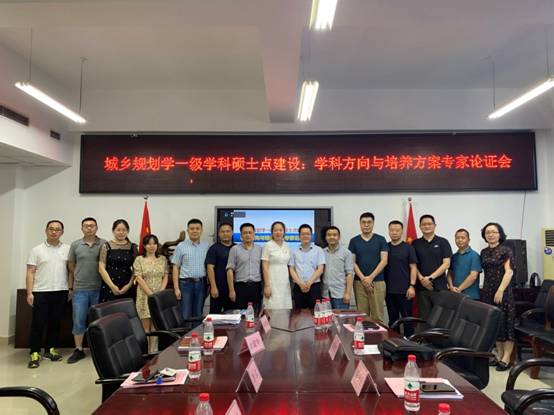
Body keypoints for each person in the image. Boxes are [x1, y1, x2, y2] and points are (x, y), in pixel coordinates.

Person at [26, 220, 70, 368]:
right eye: (51, 229)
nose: (54, 232)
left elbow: (70, 270)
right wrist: (29, 292)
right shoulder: (36, 250)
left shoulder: (67, 249)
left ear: (62, 232)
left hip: (60, 291)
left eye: (57, 229)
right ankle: (34, 352)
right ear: (46, 231)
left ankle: (50, 349)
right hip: (41, 292)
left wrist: (70, 289)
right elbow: (30, 272)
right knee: (38, 323)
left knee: (55, 322)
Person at [67, 217, 105, 364]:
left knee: (98, 322)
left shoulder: (104, 244)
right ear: (82, 228)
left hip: (99, 288)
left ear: (97, 228)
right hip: (80, 290)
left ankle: (99, 350)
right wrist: (73, 285)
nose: (89, 228)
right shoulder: (75, 245)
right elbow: (71, 266)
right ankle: (79, 349)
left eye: (92, 225)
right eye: (86, 226)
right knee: (78, 320)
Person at [480, 222, 515, 371]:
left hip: (503, 292)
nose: (491, 235)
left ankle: (507, 358)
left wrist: (500, 290)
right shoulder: (484, 252)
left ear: (500, 234)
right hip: (488, 291)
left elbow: (509, 272)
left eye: (494, 232)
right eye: (488, 232)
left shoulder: (506, 250)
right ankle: (500, 355)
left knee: (506, 324)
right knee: (496, 325)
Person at [348, 212, 389, 323]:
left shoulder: (381, 239)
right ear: (360, 224)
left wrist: (370, 278)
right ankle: (362, 335)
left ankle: (379, 335)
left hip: (377, 282)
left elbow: (384, 261)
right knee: (362, 316)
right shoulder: (354, 241)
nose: (366, 225)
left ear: (373, 223)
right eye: (363, 222)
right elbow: (352, 262)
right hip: (359, 282)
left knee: (377, 316)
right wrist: (363, 279)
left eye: (369, 222)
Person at [412, 214, 452, 320]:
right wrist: (422, 280)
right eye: (424, 224)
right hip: (422, 288)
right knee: (424, 318)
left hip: (439, 287)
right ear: (420, 226)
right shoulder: (415, 243)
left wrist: (430, 278)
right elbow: (413, 265)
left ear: (434, 225)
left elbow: (446, 264)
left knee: (441, 318)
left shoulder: (443, 242)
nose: (427, 226)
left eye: (429, 224)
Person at [133, 234, 168, 353]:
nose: (152, 246)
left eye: (154, 243)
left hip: (159, 296)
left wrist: (160, 292)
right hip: (144, 296)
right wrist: (151, 295)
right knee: (145, 327)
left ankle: (153, 352)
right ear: (144, 246)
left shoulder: (162, 259)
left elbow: (165, 275)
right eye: (149, 244)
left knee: (155, 326)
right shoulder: (139, 259)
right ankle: (146, 352)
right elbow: (138, 277)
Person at [172, 219, 209, 319]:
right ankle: (186, 330)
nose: (195, 231)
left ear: (201, 230)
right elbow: (175, 267)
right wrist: (176, 288)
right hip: (185, 285)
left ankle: (197, 330)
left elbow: (208, 267)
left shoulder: (206, 246)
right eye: (192, 229)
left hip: (201, 284)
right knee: (185, 314)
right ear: (188, 231)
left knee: (198, 313)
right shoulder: (181, 246)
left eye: (197, 228)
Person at [384, 220, 418, 329]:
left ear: (402, 231)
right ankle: (394, 339)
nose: (394, 232)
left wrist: (412, 286)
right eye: (392, 230)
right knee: (393, 320)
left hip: (405, 291)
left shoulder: (409, 248)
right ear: (389, 231)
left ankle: (408, 339)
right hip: (389, 291)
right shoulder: (385, 248)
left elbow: (413, 268)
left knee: (407, 319)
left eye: (397, 230)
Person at [99, 219, 138, 303]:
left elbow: (136, 269)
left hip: (127, 284)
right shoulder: (106, 246)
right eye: (118, 230)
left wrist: (129, 285)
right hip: (109, 284)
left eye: (124, 230)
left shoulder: (133, 247)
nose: (121, 232)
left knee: (127, 309)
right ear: (113, 231)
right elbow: (101, 268)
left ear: (127, 231)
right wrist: (112, 286)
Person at [227, 223, 263, 312]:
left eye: (250, 232)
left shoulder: (260, 249)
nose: (248, 235)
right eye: (245, 233)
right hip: (240, 287)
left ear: (254, 234)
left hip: (256, 287)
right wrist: (231, 290)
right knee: (240, 314)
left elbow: (263, 269)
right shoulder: (235, 249)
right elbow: (229, 270)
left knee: (255, 314)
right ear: (241, 235)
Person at [289, 224, 326, 309]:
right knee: (299, 312)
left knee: (315, 312)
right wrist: (300, 283)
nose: (305, 236)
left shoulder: (318, 250)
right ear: (299, 236)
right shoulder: (293, 251)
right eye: (303, 234)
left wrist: (309, 283)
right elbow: (291, 269)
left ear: (311, 235)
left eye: (308, 234)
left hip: (314, 286)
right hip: (298, 286)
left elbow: (320, 269)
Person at [262, 221, 292, 309]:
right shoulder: (267, 245)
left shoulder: (287, 245)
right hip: (272, 281)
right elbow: (264, 267)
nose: (278, 232)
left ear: (284, 232)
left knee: (285, 307)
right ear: (272, 232)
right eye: (275, 230)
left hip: (285, 282)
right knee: (272, 307)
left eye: (280, 230)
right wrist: (267, 286)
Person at [322, 226, 353, 310]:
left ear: (339, 237)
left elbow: (349, 274)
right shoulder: (322, 252)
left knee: (341, 318)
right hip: (325, 294)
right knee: (327, 318)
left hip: (340, 294)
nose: (331, 237)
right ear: (325, 237)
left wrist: (348, 293)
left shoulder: (346, 253)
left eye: (334, 235)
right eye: (329, 235)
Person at [206, 223, 235, 313]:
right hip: (218, 289)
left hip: (233, 290)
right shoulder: (214, 248)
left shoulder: (236, 248)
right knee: (215, 316)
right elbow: (210, 268)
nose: (225, 233)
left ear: (232, 233)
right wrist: (213, 287)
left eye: (228, 231)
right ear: (219, 234)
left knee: (232, 316)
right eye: (222, 232)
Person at [448, 228, 481, 300]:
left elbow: (473, 276)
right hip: (455, 294)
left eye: (463, 238)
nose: (460, 240)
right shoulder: (453, 256)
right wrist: (451, 287)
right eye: (457, 238)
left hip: (471, 296)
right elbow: (449, 273)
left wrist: (459, 289)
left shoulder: (474, 255)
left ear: (469, 240)